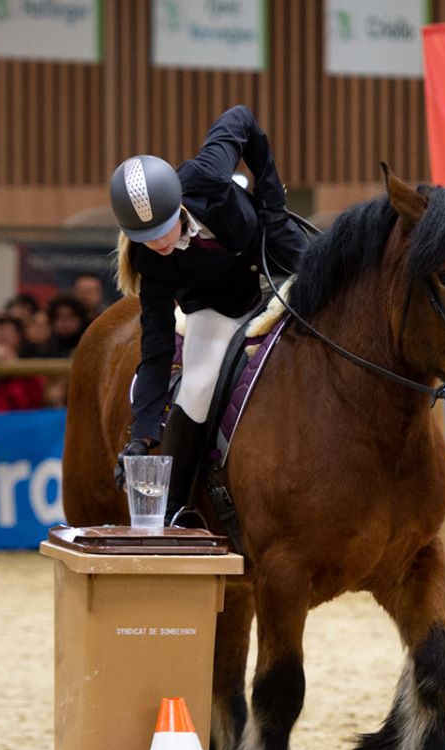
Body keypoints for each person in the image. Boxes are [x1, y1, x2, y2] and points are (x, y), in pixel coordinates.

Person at [110, 104, 307, 524]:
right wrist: (142, 435)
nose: (158, 242)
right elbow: (157, 346)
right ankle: (177, 508)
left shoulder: (207, 174)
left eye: (163, 227)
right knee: (197, 386)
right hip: (219, 307)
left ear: (179, 202)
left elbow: (243, 118)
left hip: (273, 251)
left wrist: (271, 203)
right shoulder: (152, 264)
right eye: (144, 236)